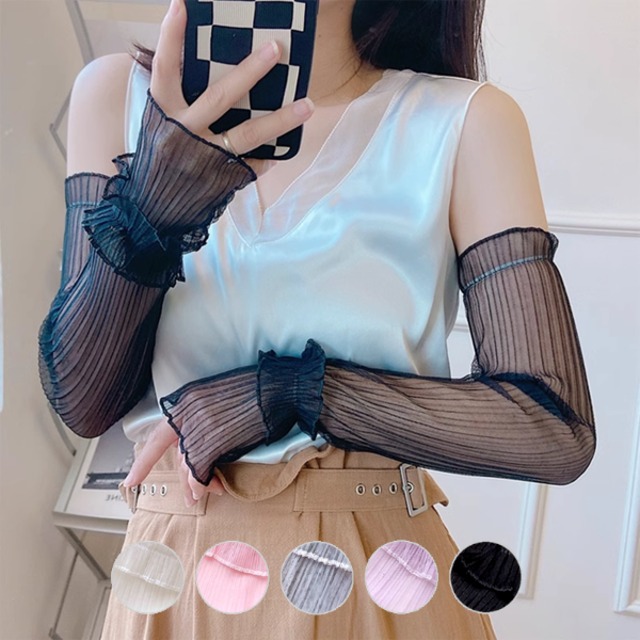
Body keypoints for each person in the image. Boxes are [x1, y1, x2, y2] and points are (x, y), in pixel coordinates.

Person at [38, 0, 596, 638]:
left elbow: (552, 428)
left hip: (376, 582)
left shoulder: (463, 120)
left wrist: (287, 393)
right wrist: (151, 210)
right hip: (170, 584)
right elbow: (85, 403)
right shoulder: (115, 96)